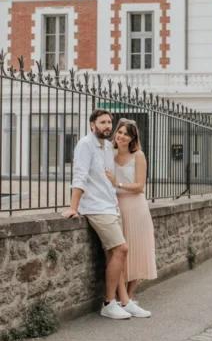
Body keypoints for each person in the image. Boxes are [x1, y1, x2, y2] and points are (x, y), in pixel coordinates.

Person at [63, 109, 144, 320]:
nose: (107, 126)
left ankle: (123, 301)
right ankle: (108, 303)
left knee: (113, 254)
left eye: (109, 122)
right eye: (102, 122)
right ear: (92, 124)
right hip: (95, 208)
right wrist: (74, 207)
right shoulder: (85, 145)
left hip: (110, 205)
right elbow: (80, 176)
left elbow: (110, 177)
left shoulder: (108, 147)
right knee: (121, 248)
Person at [106, 118, 157, 317]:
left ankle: (129, 297)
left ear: (133, 138)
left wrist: (117, 183)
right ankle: (121, 299)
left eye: (126, 134)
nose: (121, 136)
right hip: (116, 207)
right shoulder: (109, 154)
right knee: (120, 253)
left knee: (138, 250)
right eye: (119, 132)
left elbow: (139, 186)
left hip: (136, 207)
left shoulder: (139, 156)